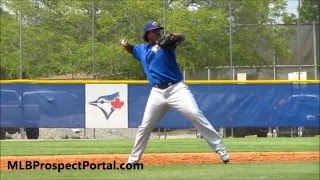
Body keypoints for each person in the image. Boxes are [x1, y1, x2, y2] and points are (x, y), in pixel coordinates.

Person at [120, 20, 230, 164]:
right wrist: (125, 45)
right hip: (157, 93)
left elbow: (181, 37)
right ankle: (133, 160)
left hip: (176, 89)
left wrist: (175, 35)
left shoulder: (167, 45)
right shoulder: (141, 49)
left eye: (159, 30)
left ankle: (220, 149)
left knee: (194, 113)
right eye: (155, 31)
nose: (159, 32)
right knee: (145, 126)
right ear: (148, 35)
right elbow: (132, 50)